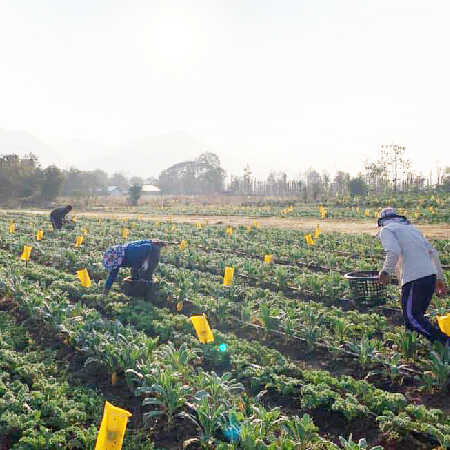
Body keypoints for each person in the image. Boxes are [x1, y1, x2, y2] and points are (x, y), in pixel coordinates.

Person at [377, 207, 448, 346]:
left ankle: (444, 342)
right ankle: (409, 346)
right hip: (430, 276)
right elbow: (434, 253)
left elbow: (394, 251)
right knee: (416, 317)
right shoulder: (412, 229)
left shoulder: (386, 230)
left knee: (412, 318)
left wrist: (385, 272)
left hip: (415, 278)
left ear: (382, 222)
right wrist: (439, 279)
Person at [103, 239, 168, 295]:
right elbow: (112, 275)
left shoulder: (132, 253)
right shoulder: (119, 257)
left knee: (145, 274)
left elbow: (148, 247)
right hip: (142, 253)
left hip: (152, 252)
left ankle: (147, 294)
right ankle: (136, 290)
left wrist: (146, 262)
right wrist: (105, 291)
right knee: (135, 274)